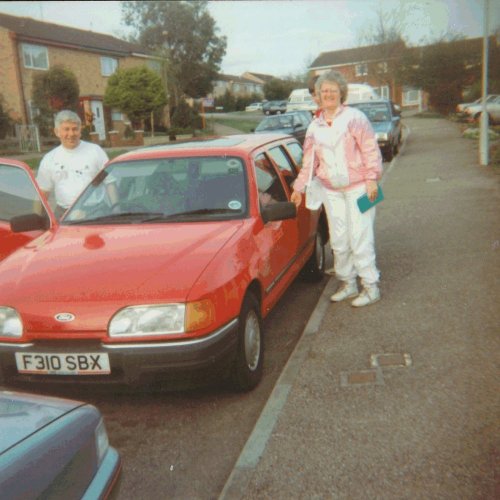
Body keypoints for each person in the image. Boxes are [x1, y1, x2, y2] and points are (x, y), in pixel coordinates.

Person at [291, 70, 383, 307]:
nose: (328, 94)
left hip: (360, 189)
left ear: (341, 92)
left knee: (360, 237)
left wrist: (372, 178)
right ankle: (348, 283)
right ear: (318, 96)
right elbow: (309, 162)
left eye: (333, 89)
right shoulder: (314, 127)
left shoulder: (355, 118)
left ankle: (371, 287)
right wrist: (298, 188)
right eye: (324, 91)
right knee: (339, 240)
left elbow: (370, 150)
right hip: (331, 192)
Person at [36, 110, 116, 218]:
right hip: (63, 213)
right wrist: (38, 220)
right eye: (66, 129)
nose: (71, 134)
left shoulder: (95, 152)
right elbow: (42, 193)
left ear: (80, 130)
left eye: (75, 129)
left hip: (96, 211)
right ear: (57, 132)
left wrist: (116, 209)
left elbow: (109, 182)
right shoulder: (49, 159)